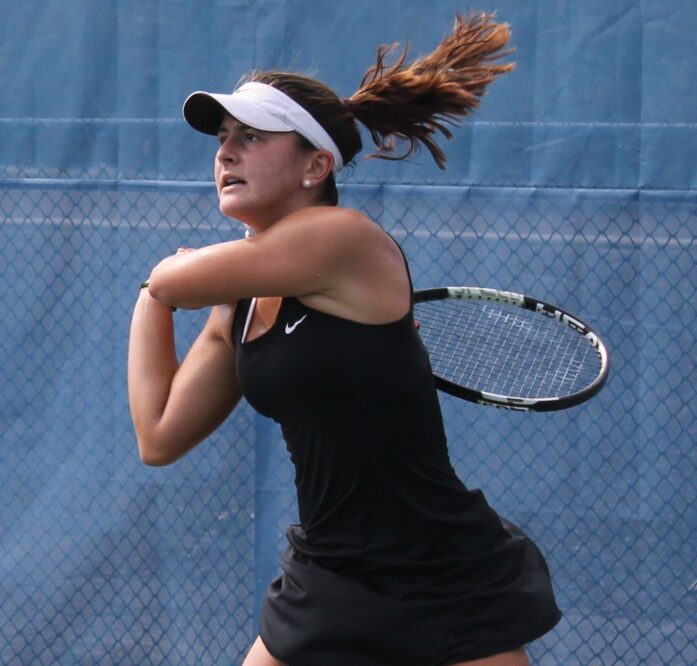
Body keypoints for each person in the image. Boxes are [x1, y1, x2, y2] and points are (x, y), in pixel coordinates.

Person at [128, 12, 561, 666]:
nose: (225, 152)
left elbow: (179, 279)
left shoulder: (342, 238)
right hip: (328, 573)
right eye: (223, 137)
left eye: (251, 136)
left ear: (316, 166)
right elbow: (158, 436)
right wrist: (151, 291)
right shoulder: (238, 302)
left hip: (440, 572)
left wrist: (169, 277)